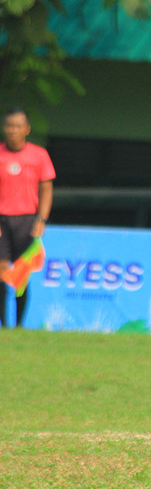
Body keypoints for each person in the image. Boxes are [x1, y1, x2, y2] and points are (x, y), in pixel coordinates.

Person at [0, 108, 55, 327]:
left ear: (27, 129)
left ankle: (19, 325)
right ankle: (3, 325)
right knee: (2, 272)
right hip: (2, 220)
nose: (12, 130)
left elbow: (47, 189)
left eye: (17, 126)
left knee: (21, 276)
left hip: (27, 221)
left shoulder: (39, 155)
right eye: (9, 126)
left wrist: (41, 220)